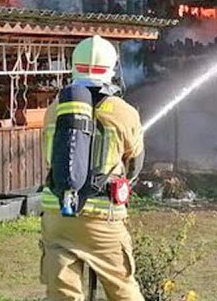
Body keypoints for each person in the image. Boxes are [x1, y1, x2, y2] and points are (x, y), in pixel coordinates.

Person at [40, 35, 145, 301]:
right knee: (123, 289)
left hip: (58, 215)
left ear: (74, 65)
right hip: (102, 220)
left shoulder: (55, 110)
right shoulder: (124, 112)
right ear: (111, 68)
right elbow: (135, 165)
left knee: (62, 294)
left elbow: (50, 157)